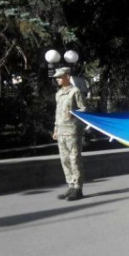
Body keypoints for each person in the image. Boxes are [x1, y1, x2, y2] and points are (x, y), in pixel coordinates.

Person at [53, 67, 87, 201]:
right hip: (61, 131)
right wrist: (55, 129)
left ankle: (78, 188)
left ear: (67, 76)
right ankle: (71, 185)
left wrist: (74, 114)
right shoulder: (59, 93)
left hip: (72, 131)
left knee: (75, 160)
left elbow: (84, 109)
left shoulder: (75, 91)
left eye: (60, 77)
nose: (57, 79)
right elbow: (57, 113)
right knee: (65, 160)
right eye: (57, 77)